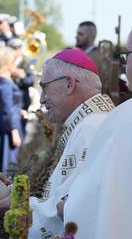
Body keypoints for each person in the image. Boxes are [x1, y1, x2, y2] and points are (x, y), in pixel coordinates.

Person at [0, 48, 115, 238]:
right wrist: (11, 193)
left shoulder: (90, 128)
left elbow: (70, 211)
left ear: (69, 84)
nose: (42, 99)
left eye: (45, 88)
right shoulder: (90, 121)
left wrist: (15, 202)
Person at [64, 30, 132, 238]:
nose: (125, 65)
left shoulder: (123, 119)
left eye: (127, 56)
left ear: (70, 84)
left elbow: (90, 201)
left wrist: (64, 207)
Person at [0, 47, 23, 173]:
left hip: (9, 122)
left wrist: (19, 110)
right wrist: (14, 131)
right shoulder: (4, 83)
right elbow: (6, 109)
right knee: (8, 161)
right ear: (6, 63)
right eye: (13, 60)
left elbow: (10, 104)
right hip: (8, 126)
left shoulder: (5, 80)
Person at [76, 21, 113, 96]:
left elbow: (103, 86)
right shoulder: (82, 54)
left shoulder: (99, 58)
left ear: (90, 37)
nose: (76, 36)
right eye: (77, 33)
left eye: (80, 34)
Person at [7, 38, 34, 136]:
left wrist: (20, 76)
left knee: (20, 129)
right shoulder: (6, 61)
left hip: (22, 99)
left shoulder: (27, 62)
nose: (15, 51)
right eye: (12, 48)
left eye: (17, 48)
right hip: (9, 98)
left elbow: (30, 81)